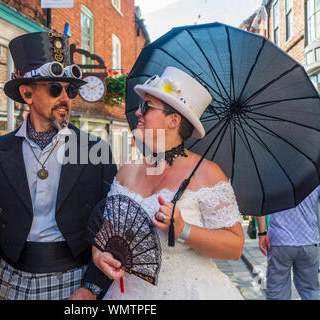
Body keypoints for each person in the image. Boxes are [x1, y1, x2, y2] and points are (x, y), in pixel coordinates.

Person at [0, 32, 116, 300]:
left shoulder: (95, 151)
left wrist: (91, 287)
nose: (65, 97)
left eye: (71, 89)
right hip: (9, 281)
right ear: (27, 93)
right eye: (55, 89)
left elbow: (112, 225)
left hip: (74, 282)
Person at [93, 67, 245, 299]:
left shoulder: (207, 174)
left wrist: (184, 230)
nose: (138, 113)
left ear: (174, 120)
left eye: (147, 107)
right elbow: (107, 232)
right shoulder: (126, 172)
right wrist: (99, 256)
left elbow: (235, 247)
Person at [256, 175, 320, 300]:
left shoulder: (270, 173)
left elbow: (260, 204)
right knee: (310, 291)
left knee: (277, 292)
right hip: (309, 241)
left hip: (279, 242)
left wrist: (262, 233)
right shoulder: (316, 174)